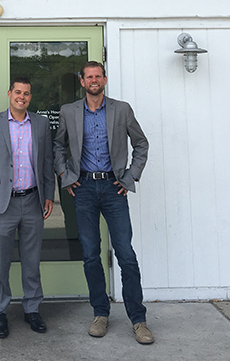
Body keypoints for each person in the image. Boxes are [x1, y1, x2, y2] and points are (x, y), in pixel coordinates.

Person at [54, 61, 154, 345]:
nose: (94, 80)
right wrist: (65, 174)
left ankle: (139, 319)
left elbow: (141, 144)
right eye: (89, 77)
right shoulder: (69, 111)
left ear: (104, 80)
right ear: (82, 81)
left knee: (125, 254)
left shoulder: (121, 109)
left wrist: (130, 177)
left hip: (114, 188)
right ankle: (101, 313)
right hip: (83, 188)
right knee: (90, 254)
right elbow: (58, 146)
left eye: (98, 76)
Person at [0, 77, 54, 339]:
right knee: (1, 262)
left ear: (31, 97)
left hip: (33, 201)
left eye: (27, 93)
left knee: (32, 260)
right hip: (2, 203)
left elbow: (47, 163)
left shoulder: (41, 124)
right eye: (17, 92)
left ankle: (32, 308)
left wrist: (49, 196)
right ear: (9, 93)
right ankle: (0, 312)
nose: (22, 97)